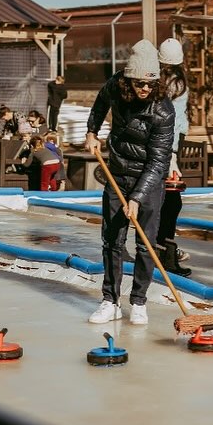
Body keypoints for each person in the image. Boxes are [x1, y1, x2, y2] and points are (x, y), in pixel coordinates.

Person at [85, 40, 175, 326]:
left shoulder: (164, 111)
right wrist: (91, 131)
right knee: (112, 240)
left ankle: (138, 300)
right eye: (139, 84)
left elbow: (158, 161)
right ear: (128, 80)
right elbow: (100, 104)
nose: (144, 89)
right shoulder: (115, 86)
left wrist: (137, 198)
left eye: (150, 84)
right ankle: (110, 300)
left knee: (146, 244)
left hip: (148, 181)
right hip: (117, 173)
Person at [154, 37, 192, 277]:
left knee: (159, 202)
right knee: (171, 202)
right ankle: (165, 253)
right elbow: (173, 120)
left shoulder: (157, 80)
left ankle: (158, 250)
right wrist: (172, 158)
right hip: (168, 147)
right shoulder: (176, 84)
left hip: (159, 145)